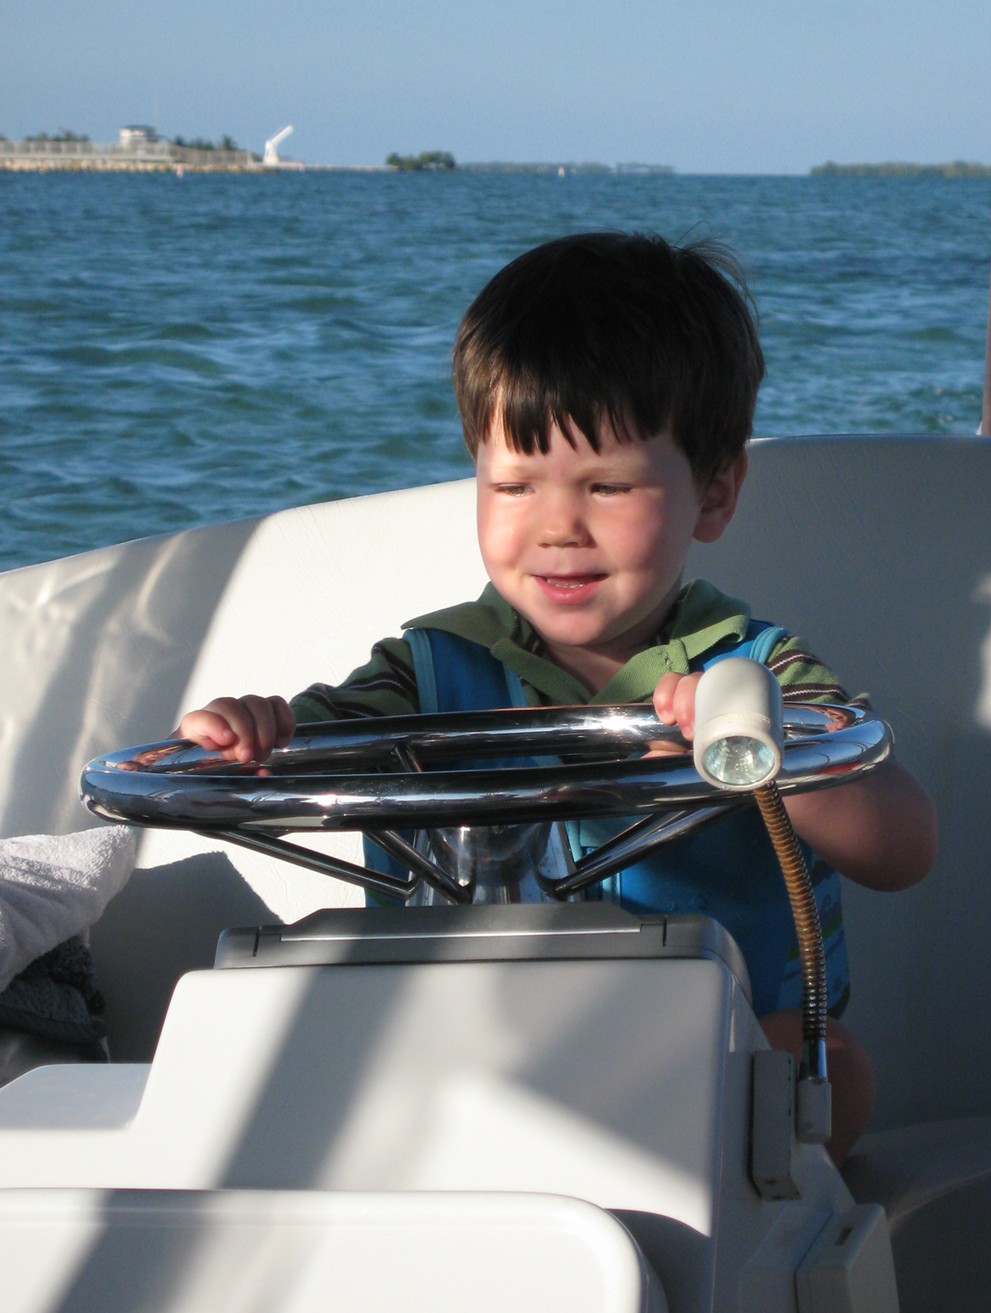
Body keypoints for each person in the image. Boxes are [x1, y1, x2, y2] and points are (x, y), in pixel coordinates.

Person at [175, 232, 937, 1162]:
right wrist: (251, 731)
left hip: (695, 1059)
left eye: (608, 485)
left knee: (832, 1069)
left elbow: (906, 843)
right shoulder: (429, 668)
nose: (557, 526)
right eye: (513, 484)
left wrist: (763, 754)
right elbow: (313, 742)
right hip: (460, 1055)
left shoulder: (758, 672)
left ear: (714, 493)